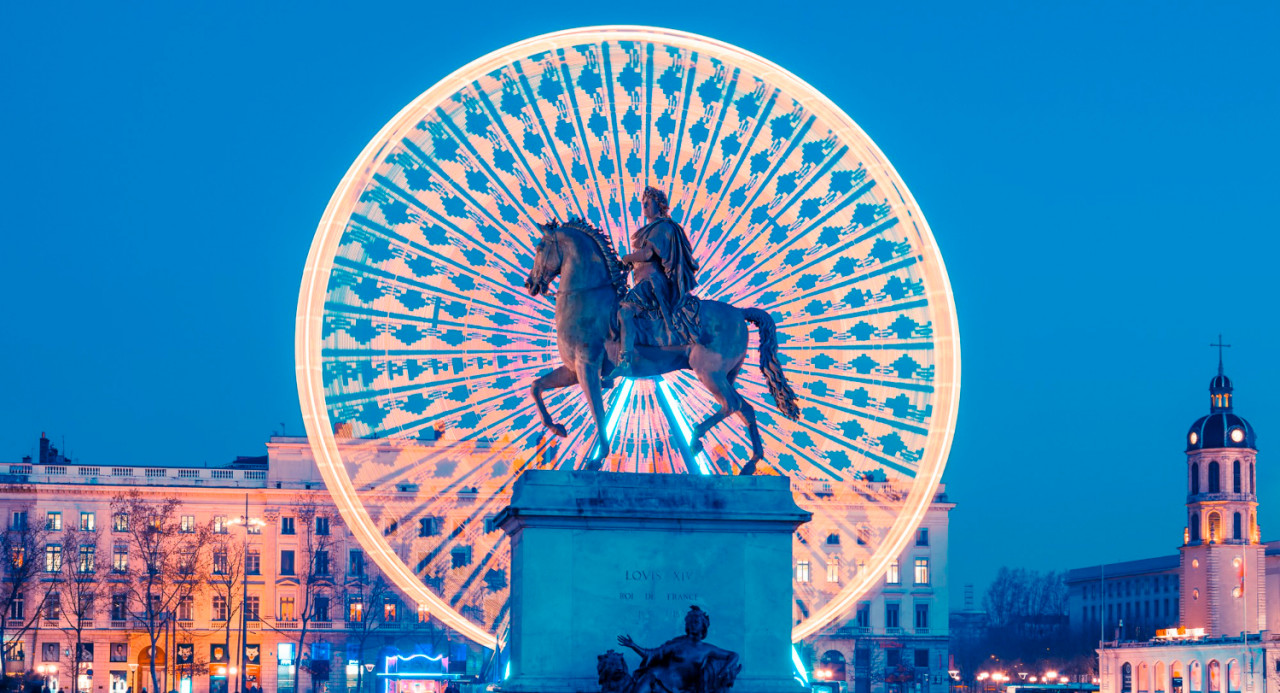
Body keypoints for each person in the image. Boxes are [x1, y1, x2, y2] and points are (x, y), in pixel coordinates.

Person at [609, 186, 700, 378]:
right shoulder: (653, 229)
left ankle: (625, 361)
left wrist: (628, 257)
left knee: (625, 312)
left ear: (658, 205)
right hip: (644, 282)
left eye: (647, 203)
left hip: (653, 283)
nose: (644, 207)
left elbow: (648, 253)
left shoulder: (662, 227)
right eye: (642, 203)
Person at [616, 605, 740, 693]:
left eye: (695, 621)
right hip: (655, 678)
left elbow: (734, 655)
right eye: (689, 621)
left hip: (680, 688)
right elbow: (651, 654)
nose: (691, 624)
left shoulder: (707, 649)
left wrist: (725, 669)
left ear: (703, 626)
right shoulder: (678, 643)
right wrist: (633, 645)